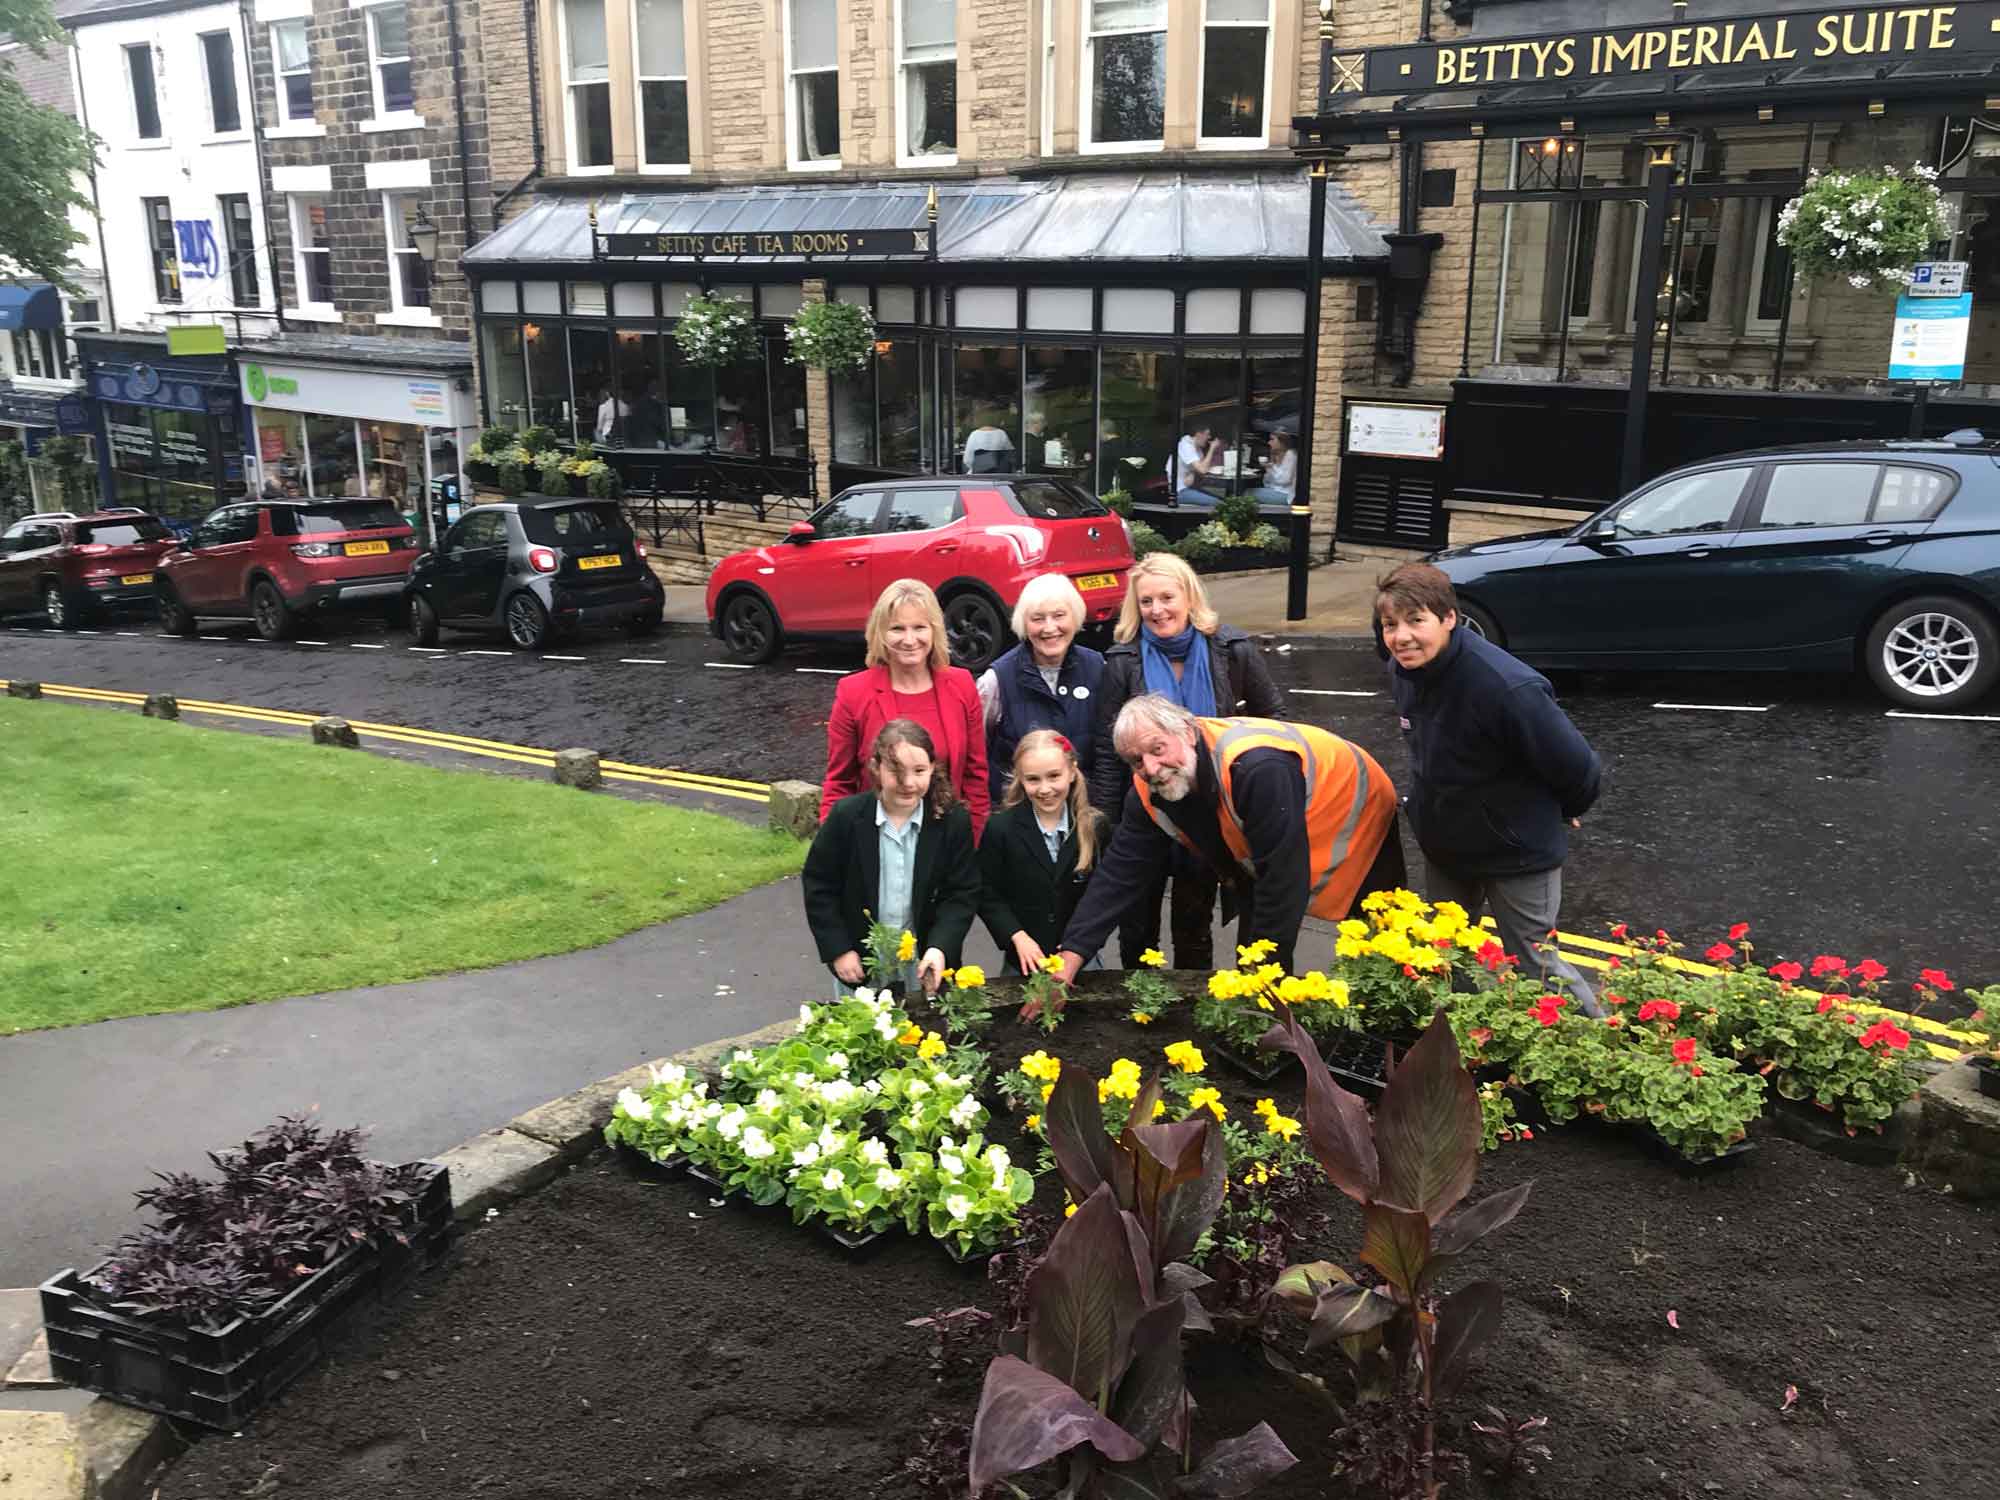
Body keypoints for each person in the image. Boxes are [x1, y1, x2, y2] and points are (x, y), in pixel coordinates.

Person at [1376, 561, 1604, 1015]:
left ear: (1448, 619)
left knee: (1535, 965)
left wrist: (1567, 806)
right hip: (1447, 846)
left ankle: (1600, 1044)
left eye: (1415, 621)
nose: (1401, 637)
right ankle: (1468, 1048)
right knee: (1447, 957)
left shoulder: (1507, 687)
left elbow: (1578, 766)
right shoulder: (1405, 671)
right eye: (1389, 624)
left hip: (1515, 851)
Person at [1056, 695, 1404, 980]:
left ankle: (1400, 1027)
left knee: (1386, 936)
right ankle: (1267, 1022)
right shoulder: (1148, 791)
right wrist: (1072, 955)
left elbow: (1282, 882)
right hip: (1274, 831)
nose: (1150, 768)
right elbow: (1120, 874)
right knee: (1256, 946)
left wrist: (1259, 979)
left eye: (1157, 749)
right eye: (1136, 761)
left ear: (1188, 734)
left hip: (1358, 810)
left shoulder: (1257, 769)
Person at [1089, 552, 1283, 970]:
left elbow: (1276, 722)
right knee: (1137, 930)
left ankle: (1194, 1016)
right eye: (1146, 602)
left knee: (1194, 926)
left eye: (1166, 597)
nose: (1157, 610)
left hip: (1210, 815)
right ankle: (1142, 1015)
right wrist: (1106, 821)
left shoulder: (1232, 651)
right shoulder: (1124, 662)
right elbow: (1107, 752)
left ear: (1189, 597)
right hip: (1147, 808)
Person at [803, 719, 979, 997]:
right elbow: (820, 886)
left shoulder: (953, 821)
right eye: (896, 771)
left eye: (919, 771)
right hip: (861, 960)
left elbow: (961, 893)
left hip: (923, 960)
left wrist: (940, 947)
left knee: (923, 1034)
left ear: (933, 768)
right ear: (876, 768)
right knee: (863, 1034)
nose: (909, 783)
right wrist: (838, 949)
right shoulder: (846, 817)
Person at [823, 578, 991, 840]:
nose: (909, 640)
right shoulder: (853, 693)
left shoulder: (962, 685)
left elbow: (975, 778)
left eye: (919, 627)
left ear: (934, 630)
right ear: (881, 633)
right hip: (874, 839)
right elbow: (839, 782)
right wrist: (834, 848)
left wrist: (973, 843)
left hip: (946, 841)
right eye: (898, 629)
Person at [979, 730, 1110, 975]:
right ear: (1020, 779)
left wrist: (1079, 944)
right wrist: (1016, 936)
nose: (1045, 788)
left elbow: (1102, 895)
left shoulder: (1094, 827)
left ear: (1072, 771)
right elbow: (986, 892)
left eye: (1054, 776)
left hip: (1082, 961)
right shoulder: (1000, 829)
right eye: (1033, 779)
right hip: (1023, 962)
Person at [976, 573, 1106, 803]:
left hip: (1085, 813)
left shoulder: (1099, 668)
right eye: (1038, 618)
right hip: (1018, 814)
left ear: (1074, 617)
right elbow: (977, 755)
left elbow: (1108, 751)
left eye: (1059, 616)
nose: (1049, 628)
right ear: (1023, 623)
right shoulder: (996, 680)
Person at [1169, 424, 1224, 508]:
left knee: (1223, 500)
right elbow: (1202, 470)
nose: (1209, 437)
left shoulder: (1198, 450)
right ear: (1198, 434)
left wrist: (1192, 473)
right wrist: (1212, 448)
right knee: (1219, 504)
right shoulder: (1185, 446)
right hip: (1179, 491)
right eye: (1207, 434)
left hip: (1190, 487)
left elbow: (1202, 471)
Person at [1248, 432, 1297, 505]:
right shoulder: (1275, 455)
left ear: (1282, 442)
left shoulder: (1291, 454)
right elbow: (1267, 482)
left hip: (1286, 494)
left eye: (1272, 439)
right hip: (1275, 489)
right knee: (1250, 492)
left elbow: (1285, 480)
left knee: (1247, 493)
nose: (1269, 442)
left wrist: (1270, 468)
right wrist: (1268, 468)